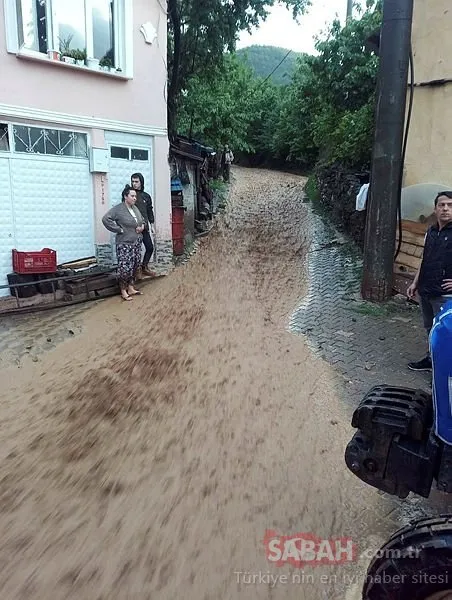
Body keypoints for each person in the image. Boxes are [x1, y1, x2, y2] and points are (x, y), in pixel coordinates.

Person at [407, 191, 452, 370]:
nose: (446, 209)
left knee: (446, 332)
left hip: (445, 295)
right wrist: (415, 283)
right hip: (426, 290)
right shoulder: (431, 231)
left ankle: (445, 368)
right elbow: (424, 259)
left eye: (450, 205)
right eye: (442, 205)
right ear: (435, 209)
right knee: (430, 328)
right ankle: (431, 360)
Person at [102, 185, 146, 301]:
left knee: (135, 265)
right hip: (125, 243)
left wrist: (142, 227)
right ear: (125, 196)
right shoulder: (118, 209)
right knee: (125, 267)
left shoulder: (135, 209)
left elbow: (143, 220)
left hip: (136, 242)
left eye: (135, 196)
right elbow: (106, 219)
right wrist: (119, 229)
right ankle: (123, 290)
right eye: (132, 196)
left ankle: (131, 287)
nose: (134, 198)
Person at [130, 172, 155, 278]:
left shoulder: (146, 196)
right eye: (132, 181)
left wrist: (152, 225)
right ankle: (137, 270)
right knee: (136, 250)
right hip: (133, 228)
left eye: (136, 181)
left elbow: (149, 211)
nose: (134, 184)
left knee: (149, 247)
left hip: (144, 227)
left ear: (141, 182)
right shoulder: (130, 196)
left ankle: (144, 266)